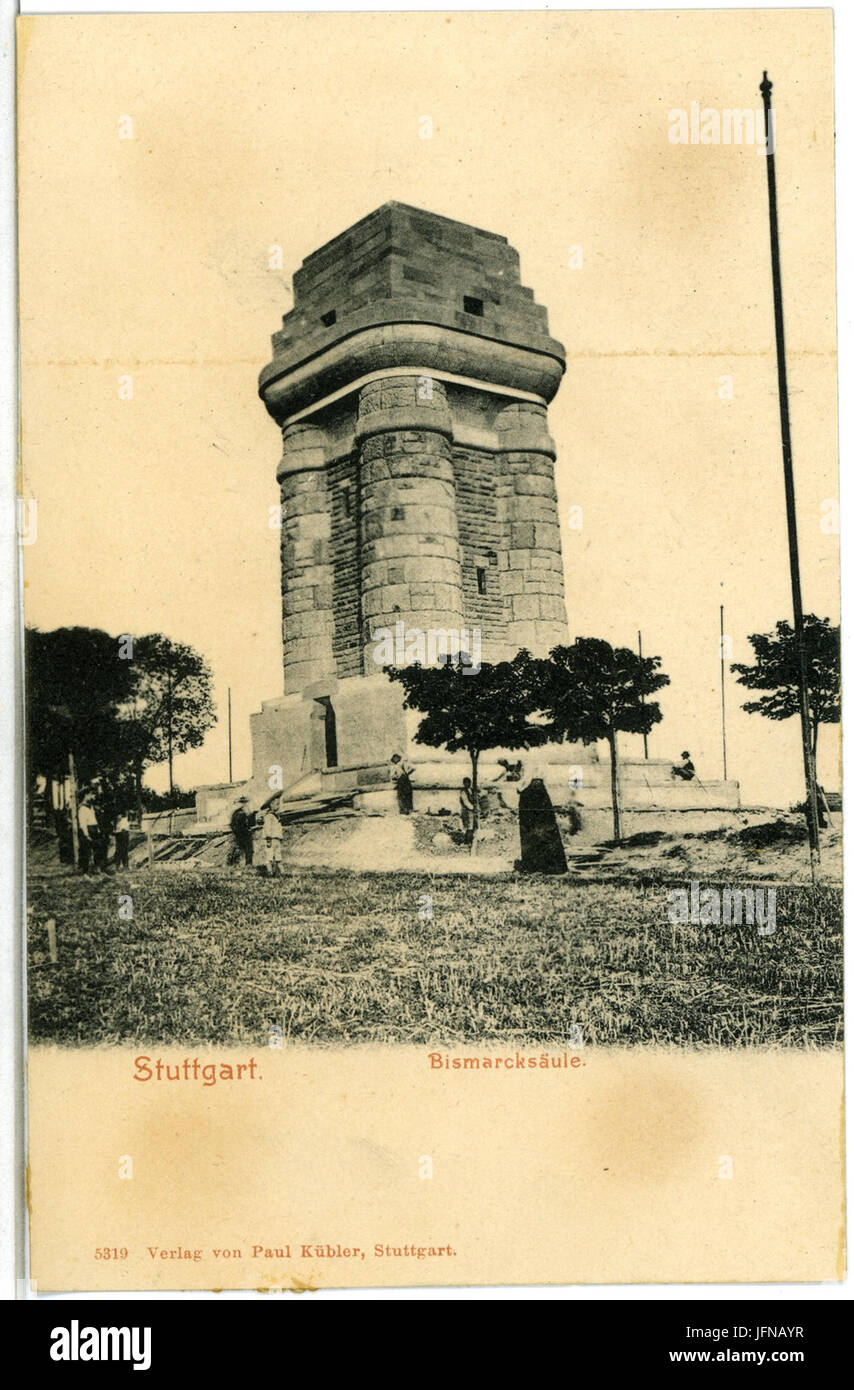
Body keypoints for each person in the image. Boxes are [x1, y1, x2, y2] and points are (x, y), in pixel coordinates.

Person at [515, 763, 568, 874]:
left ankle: (535, 865)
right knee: (546, 831)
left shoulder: (529, 764)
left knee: (532, 831)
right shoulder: (540, 781)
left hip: (531, 795)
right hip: (541, 796)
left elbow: (522, 784)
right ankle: (549, 865)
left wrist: (521, 787)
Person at [230, 796, 254, 866]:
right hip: (243, 834)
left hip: (240, 834)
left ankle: (238, 865)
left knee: (243, 850)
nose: (245, 804)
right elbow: (246, 824)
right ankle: (247, 865)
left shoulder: (237, 813)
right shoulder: (241, 813)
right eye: (244, 803)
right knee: (248, 850)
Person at [261, 801, 284, 878]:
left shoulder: (275, 816)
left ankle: (280, 873)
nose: (278, 806)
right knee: (269, 857)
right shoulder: (269, 816)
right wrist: (268, 839)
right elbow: (267, 828)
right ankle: (270, 873)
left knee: (278, 857)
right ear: (271, 805)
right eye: (277, 804)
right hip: (271, 839)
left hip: (277, 839)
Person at [77, 795, 98, 874]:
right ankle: (85, 871)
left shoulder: (91, 807)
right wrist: (86, 834)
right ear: (85, 796)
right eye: (90, 795)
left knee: (96, 850)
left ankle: (94, 868)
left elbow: (94, 819)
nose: (93, 797)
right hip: (87, 830)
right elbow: (83, 823)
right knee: (86, 851)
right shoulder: (82, 808)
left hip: (94, 829)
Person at [459, 778, 476, 845]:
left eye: (469, 783)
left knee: (472, 826)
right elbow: (466, 802)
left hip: (472, 811)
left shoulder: (471, 790)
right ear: (464, 783)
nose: (468, 784)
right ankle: (468, 841)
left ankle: (470, 840)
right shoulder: (463, 792)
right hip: (466, 811)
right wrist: (473, 808)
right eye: (466, 783)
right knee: (469, 826)